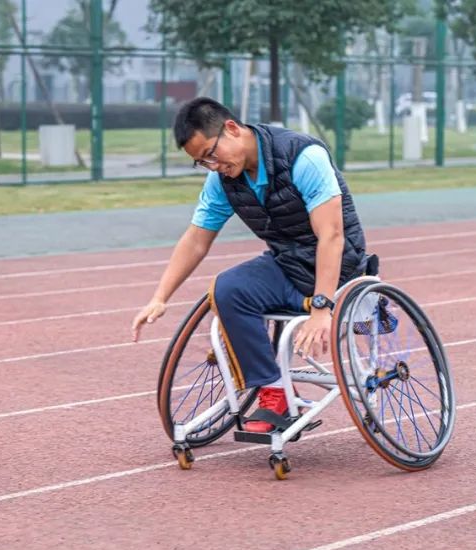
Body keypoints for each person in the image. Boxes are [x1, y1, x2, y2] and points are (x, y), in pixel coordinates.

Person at [132, 97, 372, 433]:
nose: (212, 166)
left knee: (316, 259)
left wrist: (322, 307)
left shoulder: (304, 157)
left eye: (211, 154)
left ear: (231, 129)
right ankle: (274, 392)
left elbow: (331, 236)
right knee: (228, 289)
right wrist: (160, 297)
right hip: (286, 264)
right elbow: (196, 239)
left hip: (340, 268)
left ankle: (365, 311)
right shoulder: (223, 180)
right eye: (201, 162)